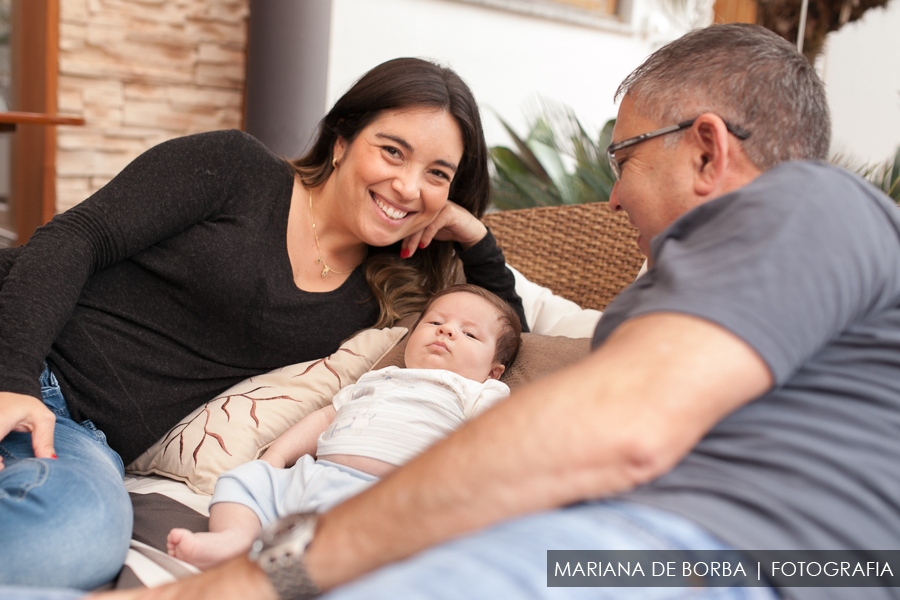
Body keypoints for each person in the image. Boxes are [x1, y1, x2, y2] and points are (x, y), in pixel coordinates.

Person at [85, 22, 900, 600]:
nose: (611, 198)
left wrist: (269, 572)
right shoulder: (660, 305)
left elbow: (604, 422)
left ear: (707, 147)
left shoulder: (811, 203)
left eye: (621, 157)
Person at [0, 57, 528, 592]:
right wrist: (14, 381)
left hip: (77, 434)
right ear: (342, 141)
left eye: (437, 174)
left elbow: (511, 336)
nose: (409, 187)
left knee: (70, 538)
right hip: (20, 347)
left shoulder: (387, 294)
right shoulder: (236, 168)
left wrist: (476, 239)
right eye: (393, 151)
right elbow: (75, 236)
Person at [167, 283, 522, 570]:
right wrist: (275, 457)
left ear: (493, 370)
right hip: (313, 477)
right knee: (244, 481)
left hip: (390, 496)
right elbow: (325, 417)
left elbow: (497, 439)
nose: (446, 330)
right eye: (434, 323)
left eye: (469, 334)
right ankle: (235, 540)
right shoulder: (379, 377)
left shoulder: (477, 392)